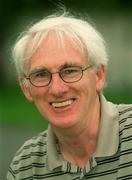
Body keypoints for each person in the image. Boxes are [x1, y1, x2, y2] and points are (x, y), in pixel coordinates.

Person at [7, 10, 132, 180]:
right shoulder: (25, 165)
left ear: (99, 76)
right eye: (41, 74)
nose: (57, 89)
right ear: (26, 88)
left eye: (70, 71)